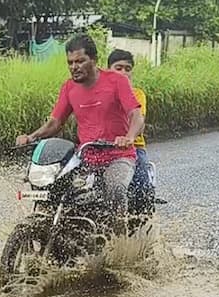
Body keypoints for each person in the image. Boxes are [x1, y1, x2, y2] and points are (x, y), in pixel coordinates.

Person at [15, 35, 145, 225]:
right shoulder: (69, 88)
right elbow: (55, 123)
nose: (74, 67)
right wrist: (31, 136)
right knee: (55, 189)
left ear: (94, 60)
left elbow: (136, 115)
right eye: (70, 62)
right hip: (85, 157)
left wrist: (129, 137)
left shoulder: (117, 81)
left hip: (118, 155)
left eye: (80, 61)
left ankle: (120, 244)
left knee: (116, 190)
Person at [107, 49, 153, 215]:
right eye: (118, 68)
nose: (123, 72)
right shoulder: (100, 94)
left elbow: (139, 120)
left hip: (132, 148)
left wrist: (129, 137)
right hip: (101, 147)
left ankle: (142, 222)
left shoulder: (137, 94)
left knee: (141, 186)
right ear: (108, 70)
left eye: (127, 68)